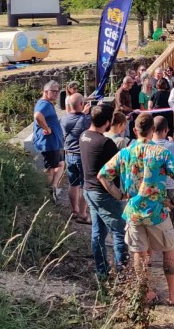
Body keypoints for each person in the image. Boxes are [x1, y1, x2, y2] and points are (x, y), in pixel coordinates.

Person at [98, 113, 174, 306]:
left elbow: (103, 175)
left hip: (133, 211)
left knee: (139, 253)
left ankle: (145, 292)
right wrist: (172, 202)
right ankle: (173, 294)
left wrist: (119, 195)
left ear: (135, 130)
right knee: (168, 251)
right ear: (152, 130)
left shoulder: (125, 152)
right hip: (157, 211)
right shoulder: (162, 153)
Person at [80, 104, 128, 279]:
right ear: (107, 122)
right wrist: (120, 194)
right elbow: (119, 168)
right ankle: (123, 275)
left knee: (98, 233)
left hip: (89, 190)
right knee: (120, 233)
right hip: (104, 193)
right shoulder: (105, 143)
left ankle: (102, 272)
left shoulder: (84, 136)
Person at [151, 116, 174, 228]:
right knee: (170, 222)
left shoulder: (145, 146)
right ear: (166, 130)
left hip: (152, 188)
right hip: (169, 187)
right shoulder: (173, 146)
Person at [33, 80, 65, 202]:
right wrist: (46, 128)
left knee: (61, 164)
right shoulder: (44, 104)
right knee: (50, 169)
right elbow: (37, 116)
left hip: (53, 143)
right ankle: (48, 194)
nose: (57, 94)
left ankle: (53, 186)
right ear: (46, 92)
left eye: (58, 91)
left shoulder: (47, 103)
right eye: (54, 91)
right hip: (48, 144)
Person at [62, 92, 92, 223]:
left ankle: (74, 210)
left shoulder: (64, 118)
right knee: (85, 185)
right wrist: (86, 113)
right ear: (81, 104)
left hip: (68, 153)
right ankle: (82, 214)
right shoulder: (85, 119)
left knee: (72, 184)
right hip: (81, 155)